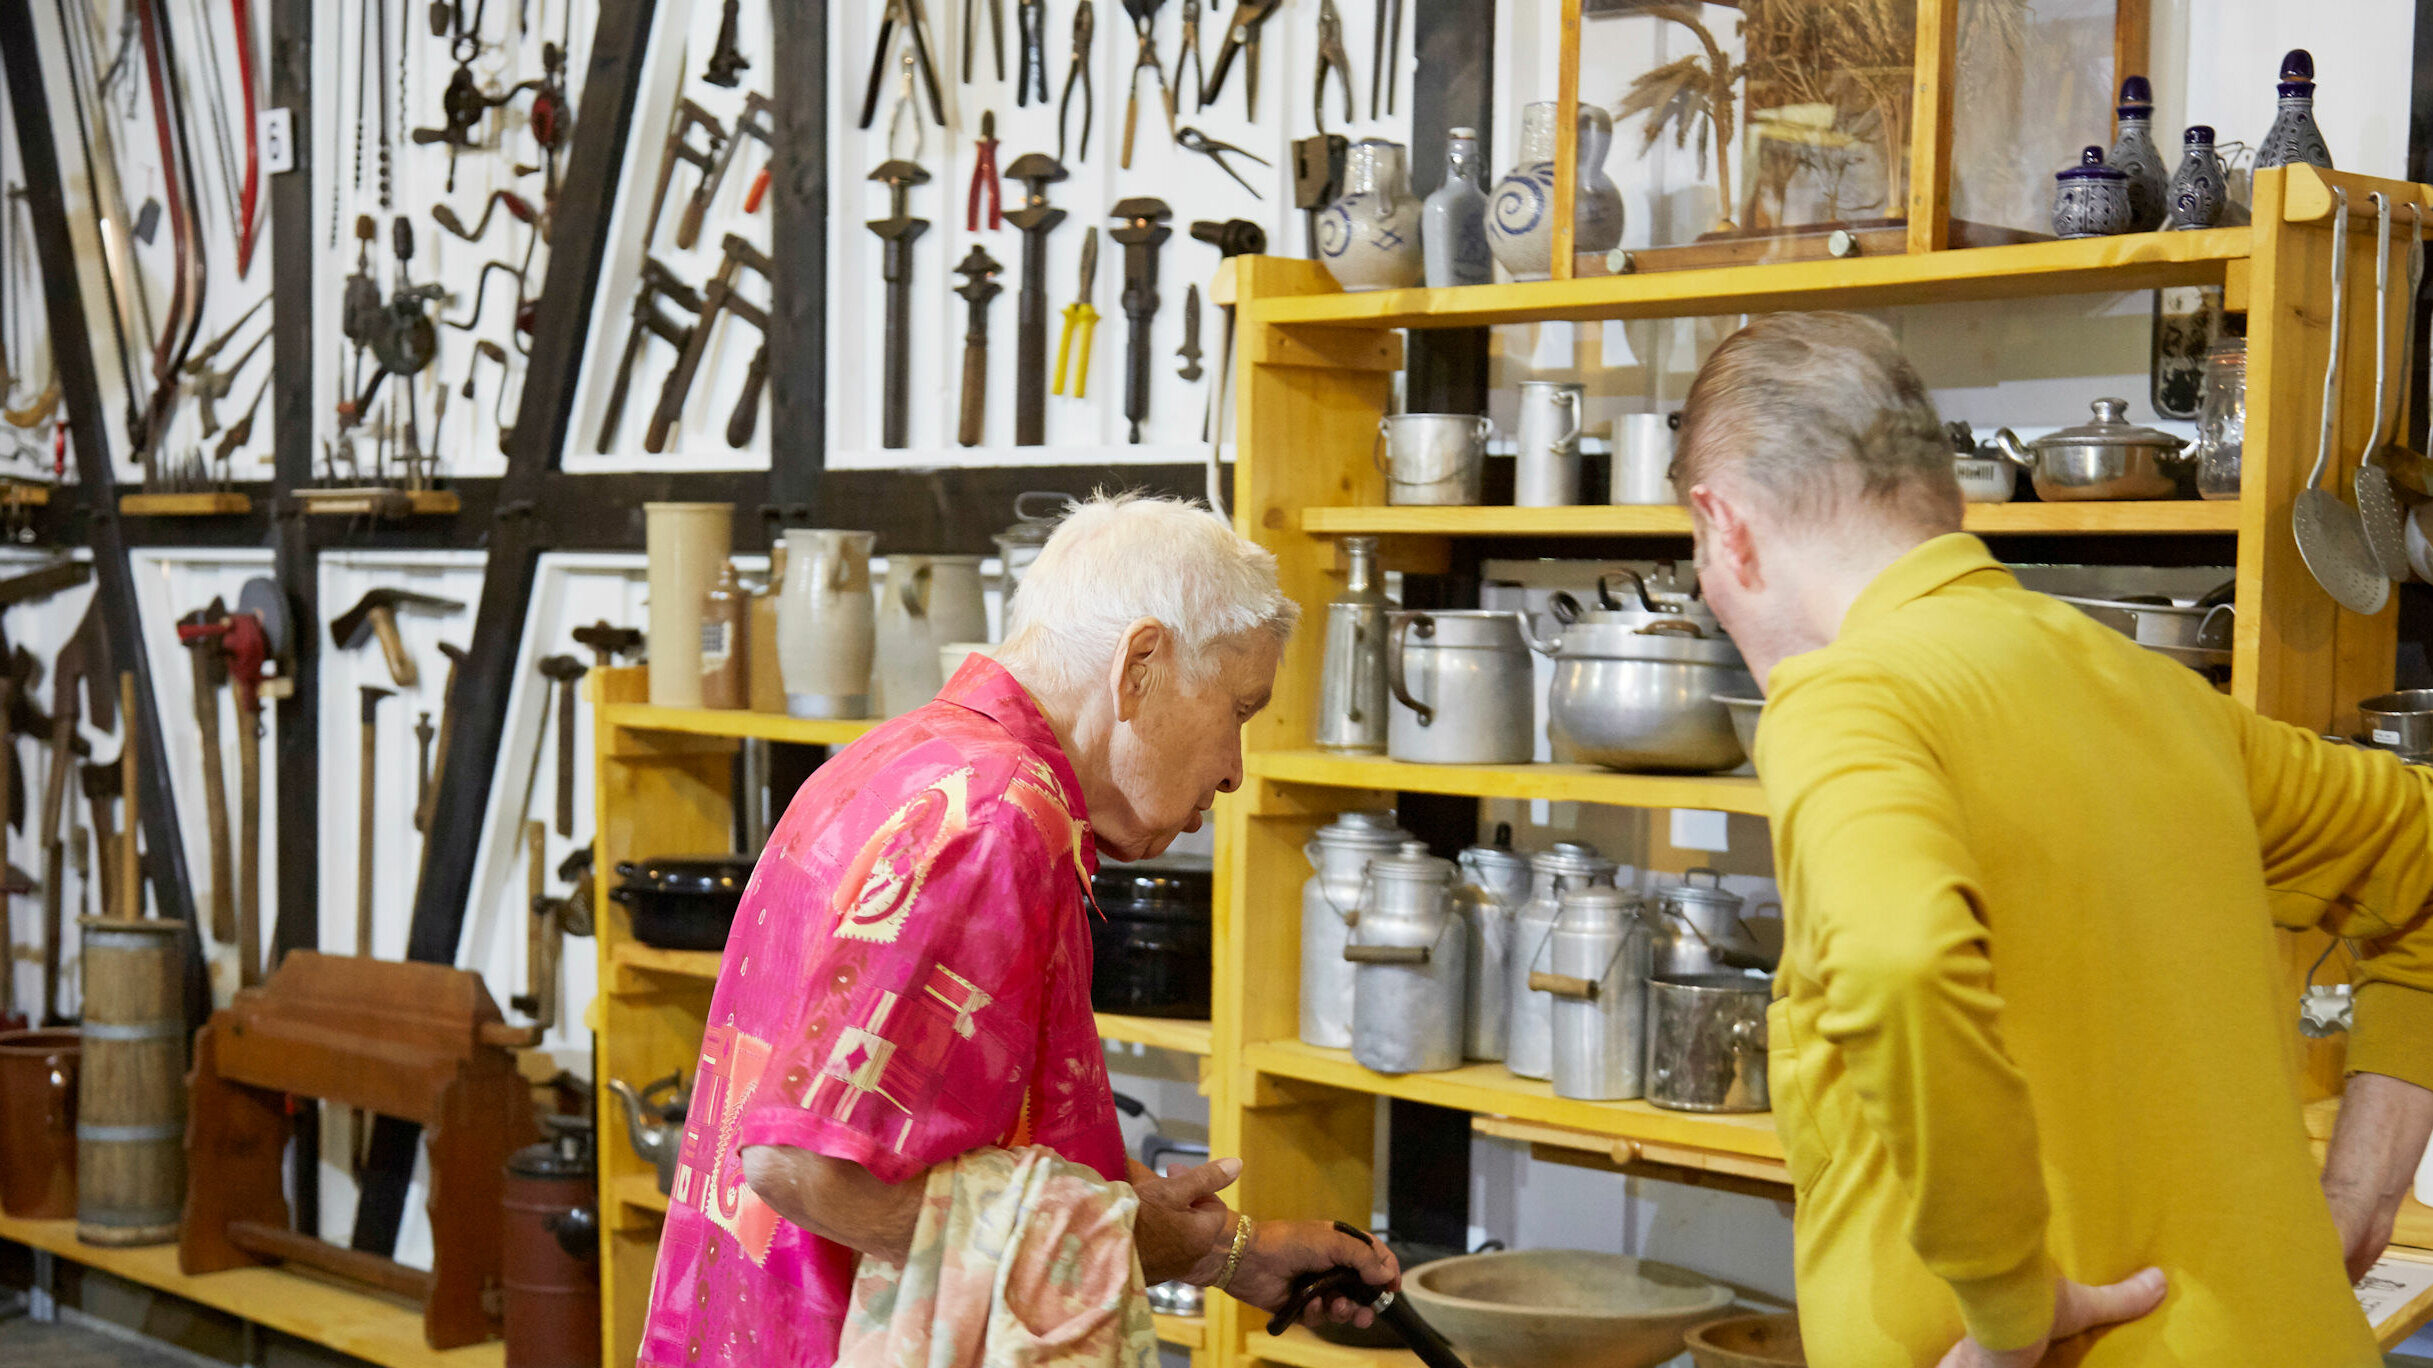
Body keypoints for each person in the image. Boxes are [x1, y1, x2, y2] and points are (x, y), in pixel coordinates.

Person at [1673, 311, 2433, 1367]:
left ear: (1727, 527)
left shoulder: (1843, 699)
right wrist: (2360, 1192)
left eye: (1697, 557)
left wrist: (2009, 1303)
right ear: (1937, 498)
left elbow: (1900, 962)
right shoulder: (2158, 694)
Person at [637, 494, 1395, 1368]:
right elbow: (809, 1166)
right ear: (1139, 664)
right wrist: (1107, 1232)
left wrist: (1227, 1251)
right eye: (1240, 711)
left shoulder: (905, 757)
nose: (1232, 771)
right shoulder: (996, 817)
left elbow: (931, 1147)